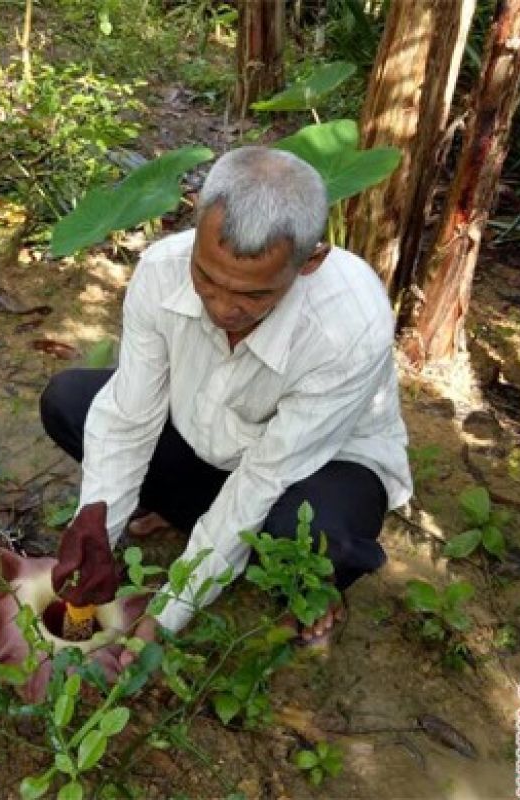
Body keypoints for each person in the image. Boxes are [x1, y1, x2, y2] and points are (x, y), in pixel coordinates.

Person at [39, 146, 412, 653]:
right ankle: (196, 520)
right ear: (194, 229)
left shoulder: (349, 325)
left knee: (316, 540)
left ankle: (308, 588)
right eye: (207, 279)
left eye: (254, 296)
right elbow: (129, 417)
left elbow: (265, 475)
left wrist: (171, 609)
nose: (222, 307)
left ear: (311, 262)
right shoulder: (160, 270)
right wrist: (97, 534)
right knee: (68, 402)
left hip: (312, 469)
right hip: (208, 442)